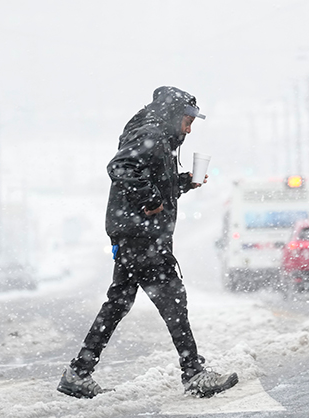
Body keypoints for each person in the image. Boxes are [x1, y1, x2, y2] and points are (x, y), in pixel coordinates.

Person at [57, 86, 238, 399]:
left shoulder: (157, 138)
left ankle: (79, 372)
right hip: (141, 236)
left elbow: (148, 178)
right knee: (173, 300)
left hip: (135, 233)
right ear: (171, 113)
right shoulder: (149, 134)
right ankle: (193, 373)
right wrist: (148, 198)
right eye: (187, 118)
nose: (190, 126)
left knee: (119, 303)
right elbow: (121, 167)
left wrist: (183, 182)